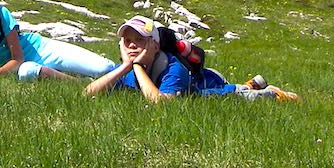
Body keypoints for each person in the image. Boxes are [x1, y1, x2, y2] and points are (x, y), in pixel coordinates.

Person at [84, 15, 299, 103]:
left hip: (217, 91)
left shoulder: (172, 68)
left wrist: (137, 66)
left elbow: (161, 104)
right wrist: (124, 67)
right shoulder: (128, 69)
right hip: (202, 87)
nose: (131, 45)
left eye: (139, 40)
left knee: (242, 95)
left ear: (154, 45)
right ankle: (251, 84)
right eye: (126, 40)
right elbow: (87, 93)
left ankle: (276, 94)